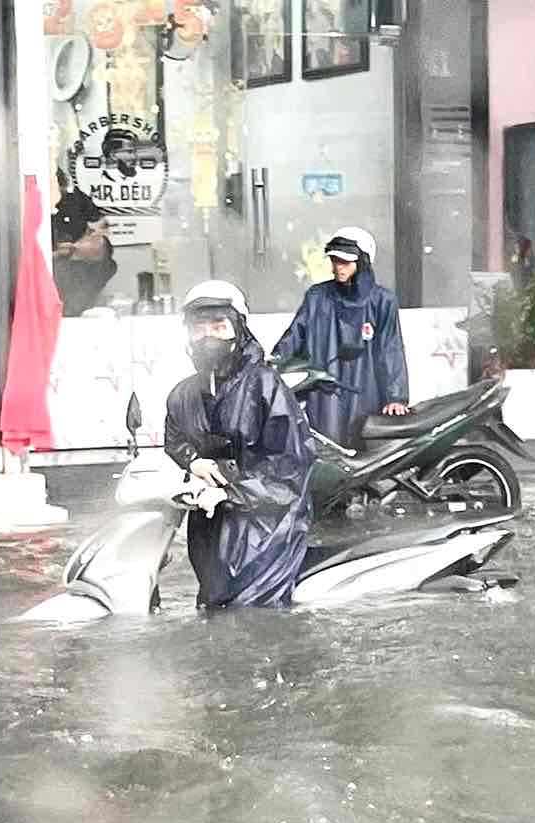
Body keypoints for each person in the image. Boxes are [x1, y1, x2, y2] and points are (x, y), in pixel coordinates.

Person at [164, 281, 314, 610]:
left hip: (266, 528)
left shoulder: (265, 386)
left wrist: (232, 492)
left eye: (219, 326)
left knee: (250, 618)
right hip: (209, 523)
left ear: (239, 329)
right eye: (199, 328)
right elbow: (174, 437)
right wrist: (193, 462)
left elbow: (289, 470)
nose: (209, 336)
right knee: (213, 610)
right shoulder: (184, 394)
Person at [273, 227, 409, 447]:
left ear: (362, 262)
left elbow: (390, 348)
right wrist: (272, 365)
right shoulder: (317, 297)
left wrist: (395, 397)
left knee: (366, 457)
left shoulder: (382, 301)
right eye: (335, 261)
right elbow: (295, 336)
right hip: (325, 394)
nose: (338, 267)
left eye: (345, 262)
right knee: (329, 454)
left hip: (368, 390)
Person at [51, 168, 117, 317]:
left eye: (58, 189)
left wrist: (86, 243)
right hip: (54, 266)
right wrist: (56, 254)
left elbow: (103, 224)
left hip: (84, 266)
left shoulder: (75, 200)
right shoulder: (32, 207)